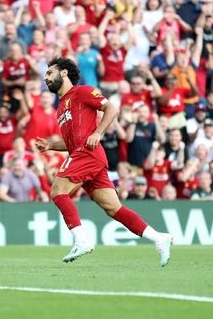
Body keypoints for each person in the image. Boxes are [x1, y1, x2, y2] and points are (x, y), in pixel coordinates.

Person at [35, 57, 173, 265]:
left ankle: (82, 240)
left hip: (87, 154)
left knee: (58, 191)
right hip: (84, 154)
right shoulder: (61, 106)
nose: (45, 78)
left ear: (63, 73)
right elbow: (73, 141)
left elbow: (112, 109)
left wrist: (98, 133)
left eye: (49, 73)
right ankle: (159, 237)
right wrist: (51, 146)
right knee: (112, 207)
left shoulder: (82, 92)